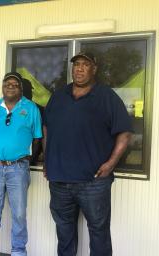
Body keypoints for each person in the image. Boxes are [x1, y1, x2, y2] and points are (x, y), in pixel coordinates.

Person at [43, 52, 132, 256]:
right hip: (59, 181)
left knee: (99, 234)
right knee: (64, 233)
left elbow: (125, 133)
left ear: (94, 69)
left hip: (94, 182)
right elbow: (47, 128)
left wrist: (110, 164)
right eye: (76, 65)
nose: (79, 69)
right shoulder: (58, 96)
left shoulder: (107, 96)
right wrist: (47, 160)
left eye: (85, 65)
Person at [0, 72, 42, 256]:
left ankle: (18, 251)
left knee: (19, 213)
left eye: (15, 84)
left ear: (21, 88)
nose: (11, 87)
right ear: (3, 86)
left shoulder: (30, 109)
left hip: (18, 167)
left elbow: (37, 138)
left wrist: (28, 159)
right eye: (8, 83)